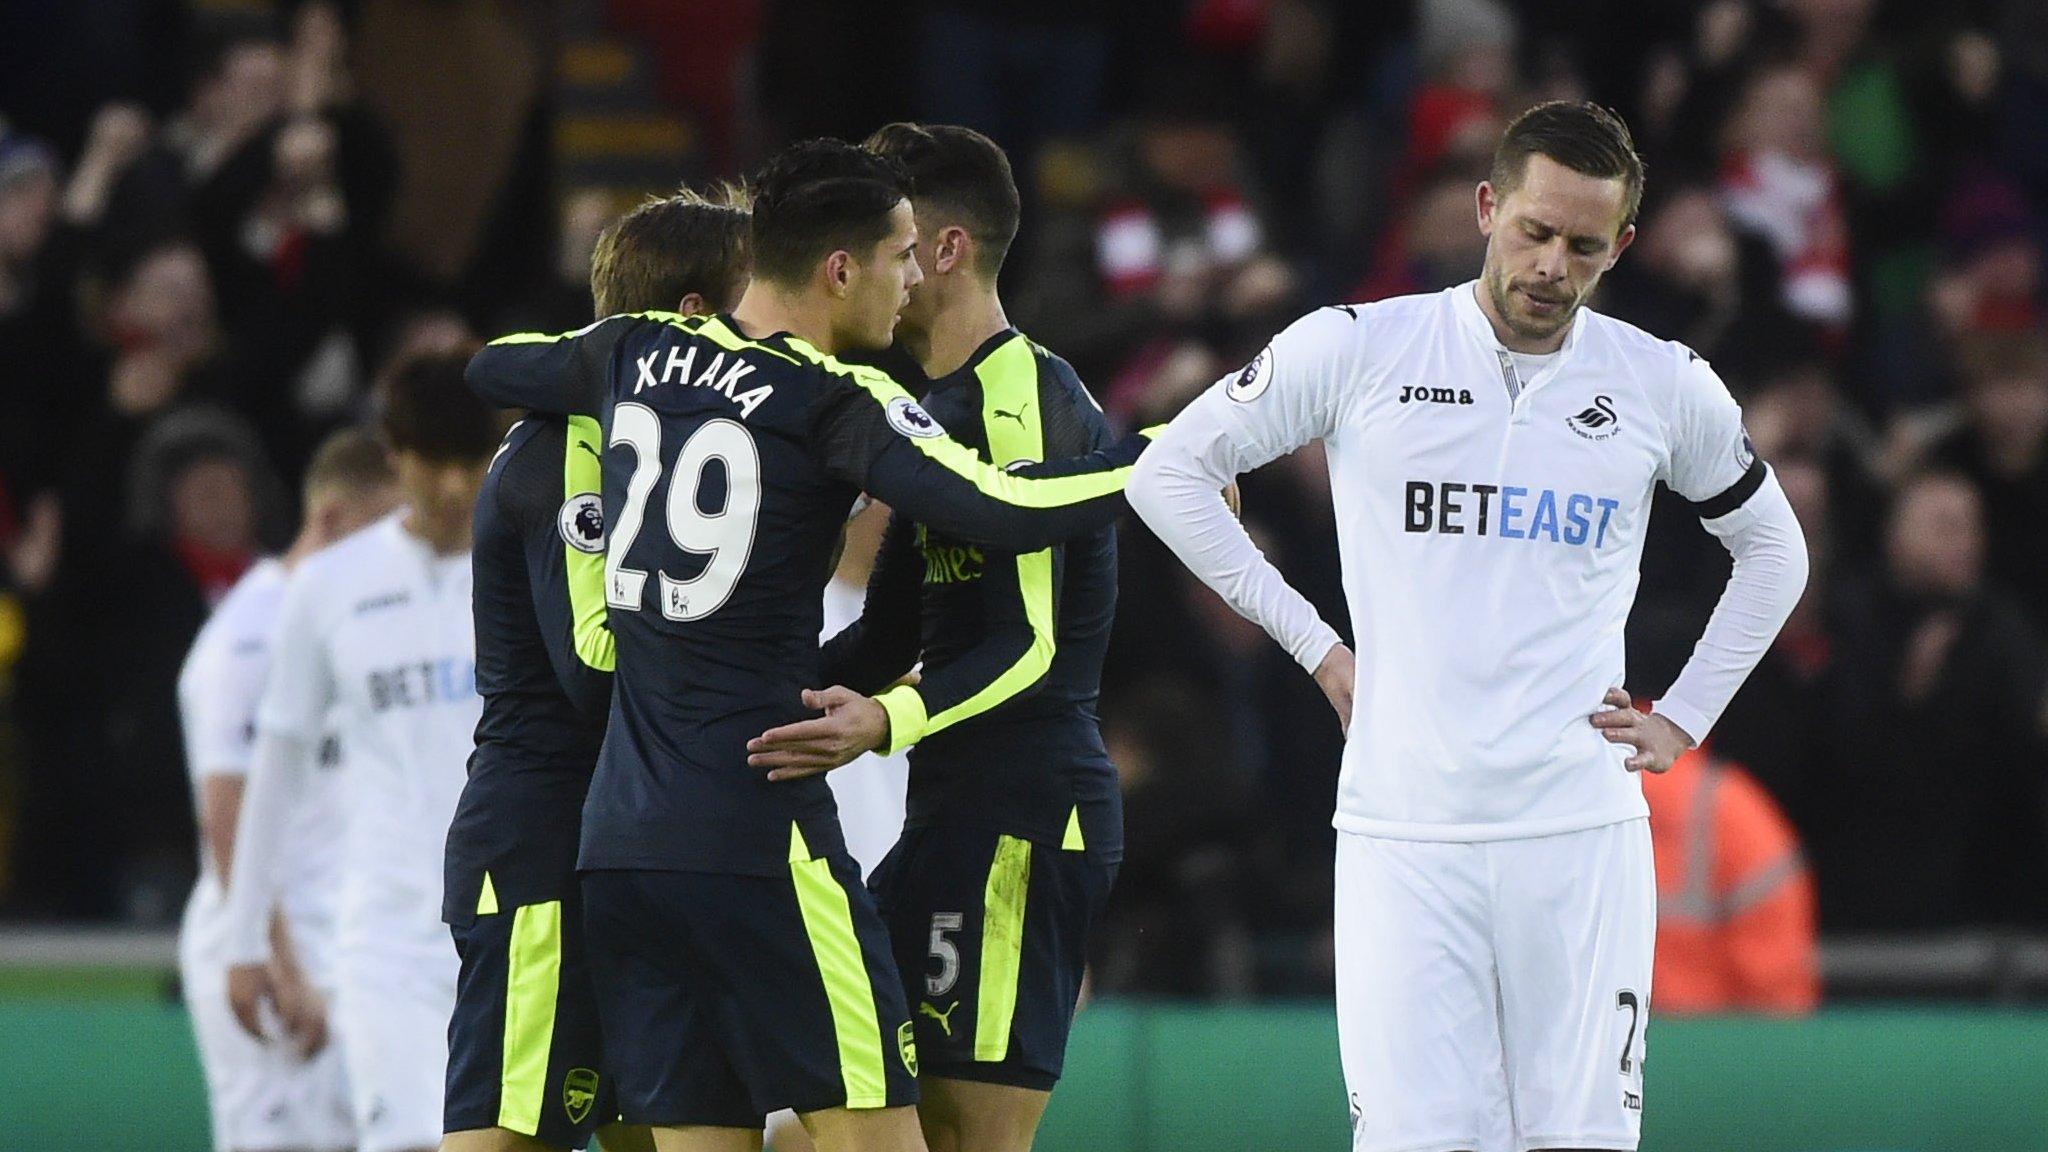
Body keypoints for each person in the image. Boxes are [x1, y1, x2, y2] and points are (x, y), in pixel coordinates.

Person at [1126, 101, 1810, 1152]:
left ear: (1619, 246)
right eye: (1533, 231)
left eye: (1582, 246)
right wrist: (1314, 646)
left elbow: (1774, 552)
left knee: (1578, 1143)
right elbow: (1169, 472)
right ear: (1486, 208)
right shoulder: (1361, 348)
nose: (1550, 264)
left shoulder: (1658, 383)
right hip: (1405, 832)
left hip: (1577, 836)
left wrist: (1684, 717)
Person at [463, 137, 1150, 1152]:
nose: (910, 277)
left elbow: (493, 365)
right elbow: (1000, 507)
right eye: (897, 256)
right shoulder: (833, 398)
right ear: (840, 269)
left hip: (621, 848)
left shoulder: (632, 350)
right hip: (759, 834)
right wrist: (1164, 455)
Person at [746, 123, 1122, 1152]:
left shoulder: (1021, 396)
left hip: (1022, 815)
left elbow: (1032, 644)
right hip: (948, 815)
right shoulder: (928, 409)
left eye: (901, 247)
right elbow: (894, 627)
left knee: (959, 1141)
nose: (889, 271)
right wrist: (736, 696)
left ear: (945, 252)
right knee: (825, 1127)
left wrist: (885, 720)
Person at [441, 186, 751, 1152]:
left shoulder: (643, 448)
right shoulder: (567, 443)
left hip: (618, 842)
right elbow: (590, 661)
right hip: (540, 843)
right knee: (515, 1134)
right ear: (692, 320)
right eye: (753, 303)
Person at [223, 349, 504, 1152]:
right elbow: (275, 768)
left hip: (524, 931)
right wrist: (243, 940)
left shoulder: (540, 574)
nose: (453, 486)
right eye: (432, 461)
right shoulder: (329, 589)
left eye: (471, 461)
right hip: (388, 937)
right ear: (393, 454)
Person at [178, 427, 399, 1152]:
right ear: (334, 520)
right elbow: (227, 813)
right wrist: (275, 959)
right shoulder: (250, 633)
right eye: (382, 531)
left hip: (335, 943)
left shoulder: (339, 624)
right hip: (272, 955)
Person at [1641, 745, 1820, 1015]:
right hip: (1707, 1042)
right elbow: (1777, 984)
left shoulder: (1561, 798)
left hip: (1585, 1041)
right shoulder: (1730, 808)